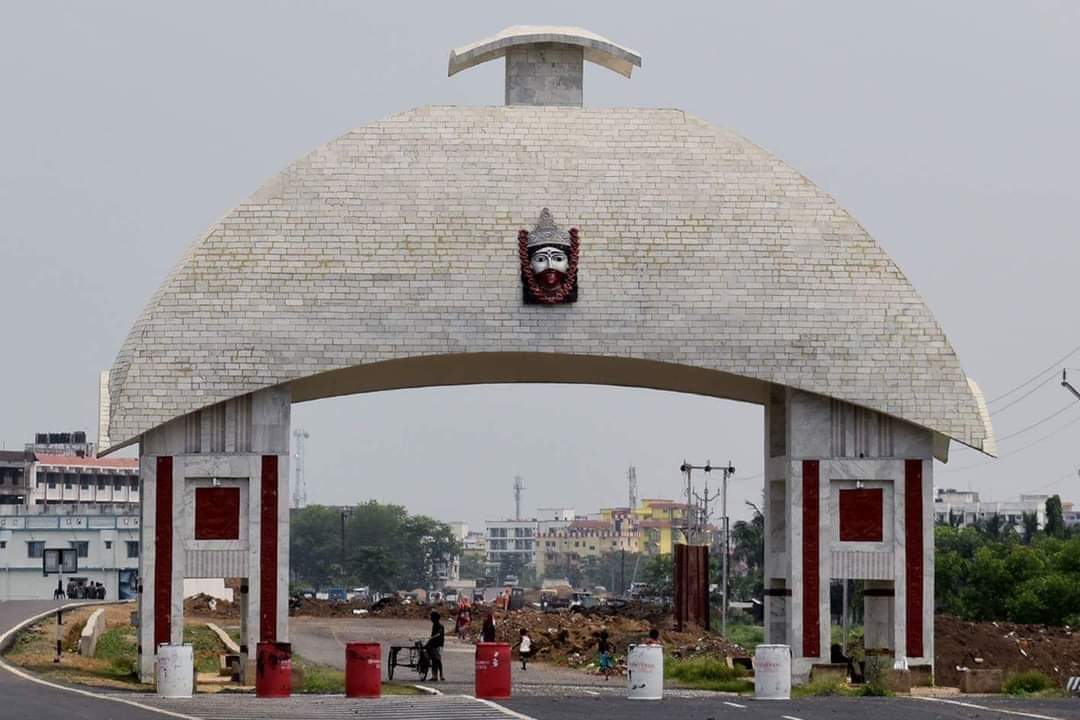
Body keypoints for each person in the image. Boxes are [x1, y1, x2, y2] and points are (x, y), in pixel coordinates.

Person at [427, 611, 446, 681]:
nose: (431, 619)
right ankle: (434, 676)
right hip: (434, 644)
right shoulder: (434, 625)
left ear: (436, 618)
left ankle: (441, 675)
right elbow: (432, 636)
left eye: (432, 617)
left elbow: (438, 634)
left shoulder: (440, 626)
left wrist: (432, 638)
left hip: (439, 645)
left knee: (438, 660)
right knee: (434, 660)